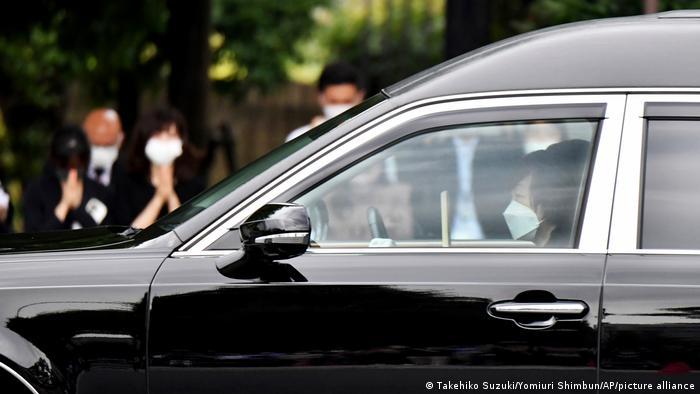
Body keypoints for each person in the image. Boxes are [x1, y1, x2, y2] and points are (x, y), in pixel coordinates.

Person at [113, 107, 204, 228]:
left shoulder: (193, 185)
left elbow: (188, 232)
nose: (164, 141)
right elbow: (130, 234)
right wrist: (160, 197)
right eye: (157, 135)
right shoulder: (127, 182)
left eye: (171, 135)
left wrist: (170, 194)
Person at [502, 139, 591, 247]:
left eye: (519, 196)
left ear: (550, 200)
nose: (510, 208)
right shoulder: (533, 244)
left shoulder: (564, 251)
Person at [23, 126, 113, 232]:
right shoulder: (37, 191)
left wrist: (78, 208)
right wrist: (64, 205)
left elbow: (106, 236)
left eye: (79, 161)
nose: (72, 171)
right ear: (54, 159)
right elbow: (35, 240)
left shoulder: (101, 192)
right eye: (64, 162)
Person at [286, 62, 366, 141]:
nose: (340, 108)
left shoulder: (371, 132)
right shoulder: (297, 138)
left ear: (360, 97)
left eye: (347, 101)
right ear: (321, 97)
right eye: (333, 102)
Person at [82, 108, 124, 188]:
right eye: (96, 145)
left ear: (120, 140)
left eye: (107, 145)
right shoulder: (70, 175)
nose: (101, 151)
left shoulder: (131, 180)